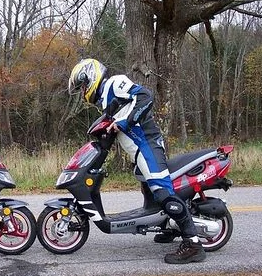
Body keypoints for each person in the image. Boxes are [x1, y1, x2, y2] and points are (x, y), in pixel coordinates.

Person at [67, 58, 205, 264]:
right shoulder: (106, 99)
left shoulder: (114, 83)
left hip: (148, 145)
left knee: (163, 193)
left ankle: (193, 244)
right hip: (140, 150)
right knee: (150, 195)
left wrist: (124, 122)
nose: (83, 92)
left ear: (91, 77)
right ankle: (168, 228)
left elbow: (145, 97)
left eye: (83, 86)